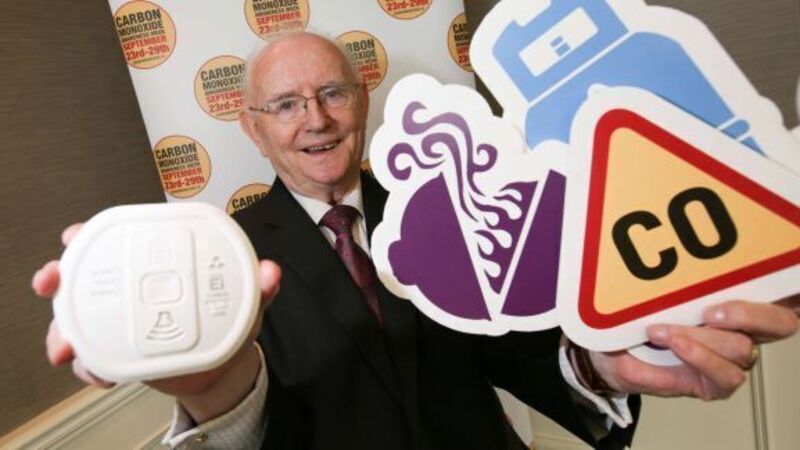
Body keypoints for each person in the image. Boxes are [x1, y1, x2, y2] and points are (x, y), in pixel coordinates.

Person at [32, 31, 800, 450]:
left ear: (362, 99)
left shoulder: (451, 211)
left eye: (332, 92)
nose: (316, 119)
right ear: (253, 127)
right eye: (287, 104)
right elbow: (253, 424)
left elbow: (526, 350)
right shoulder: (229, 261)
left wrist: (600, 363)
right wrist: (208, 389)